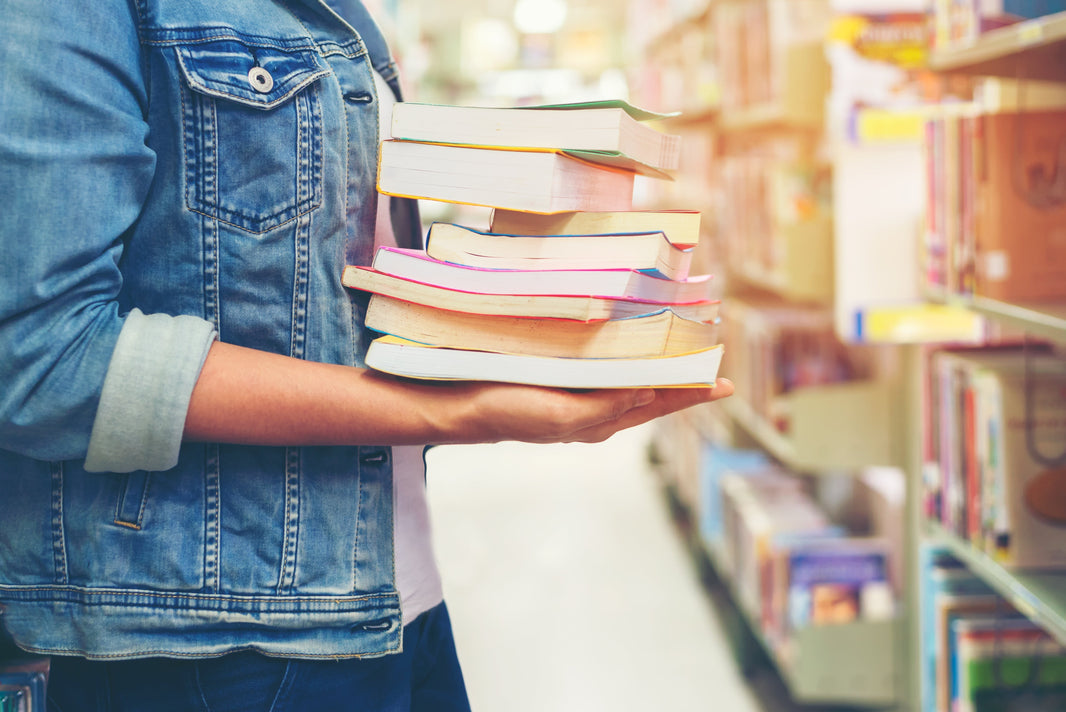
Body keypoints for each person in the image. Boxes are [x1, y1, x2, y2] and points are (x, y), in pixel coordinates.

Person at [0, 0, 733, 710]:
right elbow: (44, 357)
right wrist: (454, 408)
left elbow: (325, 300)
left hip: (392, 598)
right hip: (209, 639)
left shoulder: (341, 14)